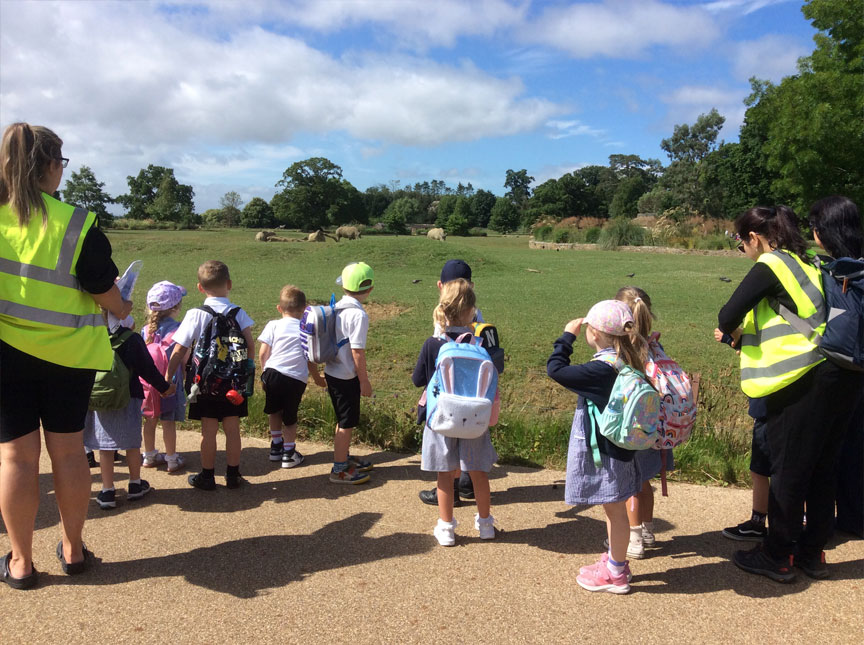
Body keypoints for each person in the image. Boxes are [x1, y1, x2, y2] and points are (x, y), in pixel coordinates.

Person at [0, 123, 132, 589]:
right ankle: (73, 551)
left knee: (16, 459)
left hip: (6, 357)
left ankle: (20, 562)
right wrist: (124, 307)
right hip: (69, 358)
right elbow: (103, 290)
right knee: (70, 453)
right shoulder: (76, 222)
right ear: (51, 166)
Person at [717, 205, 864, 581]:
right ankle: (812, 555)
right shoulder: (814, 262)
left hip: (801, 379)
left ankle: (777, 555)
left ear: (754, 237)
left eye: (741, 242)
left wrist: (733, 336)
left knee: (789, 469)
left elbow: (726, 314)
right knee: (822, 469)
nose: (743, 250)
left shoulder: (774, 263)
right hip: (843, 374)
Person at [547, 300, 646, 594]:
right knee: (613, 507)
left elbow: (556, 370)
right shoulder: (626, 360)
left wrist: (566, 337)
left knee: (615, 511)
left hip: (608, 452)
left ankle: (616, 574)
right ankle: (615, 561)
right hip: (622, 448)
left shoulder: (600, 370)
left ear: (598, 335)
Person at [412, 279, 498, 545]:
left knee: (445, 475)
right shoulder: (481, 345)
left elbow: (418, 380)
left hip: (442, 419)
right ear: (472, 311)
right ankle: (486, 526)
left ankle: (447, 528)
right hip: (474, 419)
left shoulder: (432, 344)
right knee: (478, 473)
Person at [164, 261, 255, 490]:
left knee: (208, 431)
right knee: (233, 429)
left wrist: (167, 377)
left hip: (204, 384)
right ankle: (233, 476)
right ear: (229, 284)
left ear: (200, 287)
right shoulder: (239, 313)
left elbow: (179, 349)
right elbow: (250, 346)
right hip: (233, 384)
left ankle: (207, 476)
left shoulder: (196, 314)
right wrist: (247, 373)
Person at [809, 196, 864, 538]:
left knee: (826, 445)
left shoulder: (828, 270)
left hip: (834, 367)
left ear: (822, 231)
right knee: (857, 442)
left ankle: (818, 525)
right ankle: (855, 518)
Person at [85, 317, 175, 509]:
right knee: (132, 444)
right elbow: (147, 368)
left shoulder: (91, 335)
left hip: (101, 398)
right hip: (129, 396)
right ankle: (135, 484)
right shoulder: (131, 339)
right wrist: (164, 387)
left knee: (106, 448)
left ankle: (107, 490)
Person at [419, 259, 487, 506]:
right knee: (470, 437)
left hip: (446, 395)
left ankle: (451, 491)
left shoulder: (442, 320)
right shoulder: (477, 317)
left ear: (440, 286)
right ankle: (468, 484)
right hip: (475, 394)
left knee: (449, 441)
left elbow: (432, 364)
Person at [614, 286, 675, 558]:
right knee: (644, 483)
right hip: (656, 425)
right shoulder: (654, 345)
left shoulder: (624, 352)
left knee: (630, 486)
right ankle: (647, 530)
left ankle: (634, 538)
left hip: (633, 428)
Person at [258, 285, 326, 469]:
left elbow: (263, 353)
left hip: (272, 373)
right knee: (290, 417)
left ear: (279, 308)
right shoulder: (306, 329)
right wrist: (317, 378)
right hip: (295, 378)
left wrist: (264, 373)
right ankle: (289, 453)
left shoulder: (273, 325)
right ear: (304, 310)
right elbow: (310, 359)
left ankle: (276, 447)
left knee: (274, 411)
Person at [713, 327, 770, 542]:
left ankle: (757, 522)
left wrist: (730, 338)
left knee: (760, 469)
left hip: (766, 404)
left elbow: (758, 348)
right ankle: (802, 520)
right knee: (795, 468)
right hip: (791, 405)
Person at [324, 262, 375, 484]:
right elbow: (357, 352)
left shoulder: (336, 307)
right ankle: (339, 470)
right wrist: (364, 381)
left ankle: (343, 457)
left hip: (332, 371)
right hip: (346, 376)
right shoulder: (358, 316)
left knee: (343, 419)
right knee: (346, 423)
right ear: (369, 288)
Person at [141, 280, 188, 473]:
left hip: (149, 384)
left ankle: (149, 455)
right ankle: (171, 459)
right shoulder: (179, 330)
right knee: (168, 422)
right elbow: (183, 359)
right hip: (171, 383)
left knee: (149, 420)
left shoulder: (145, 330)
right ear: (176, 307)